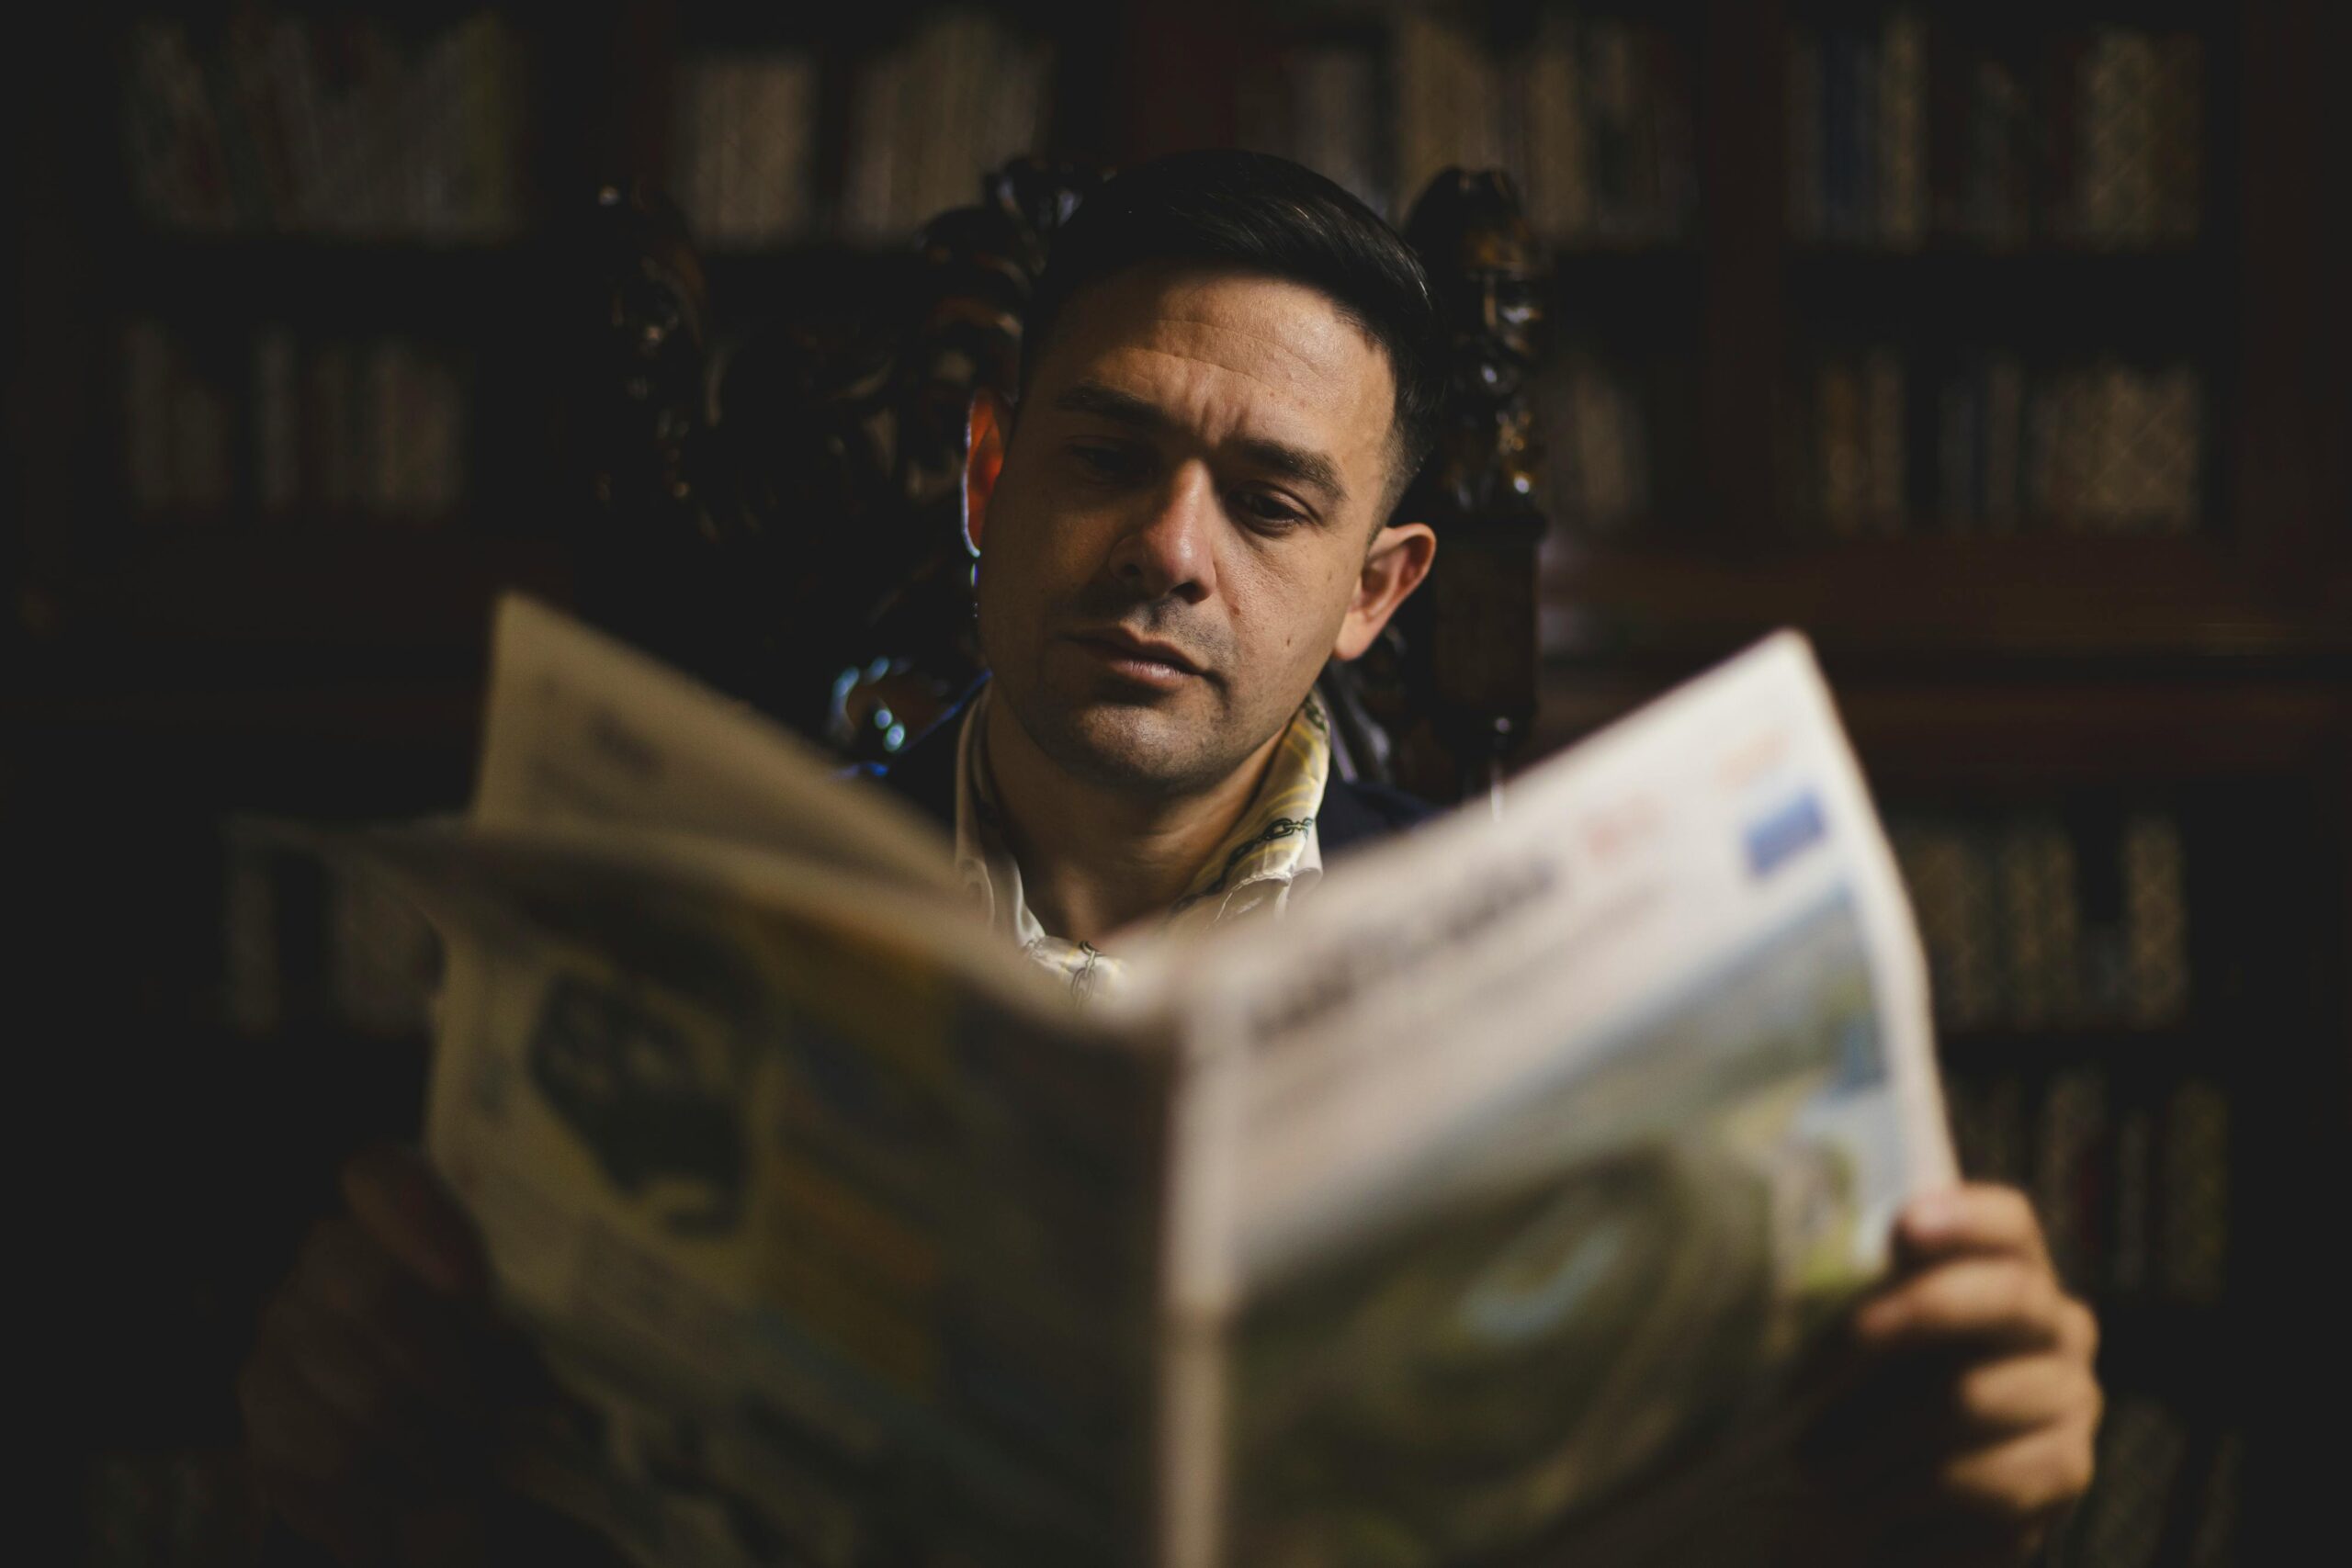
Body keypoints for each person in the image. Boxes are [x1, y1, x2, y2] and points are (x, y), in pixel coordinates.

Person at [239, 152, 2099, 1565]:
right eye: (1105, 456)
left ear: (1378, 591)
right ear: (987, 479)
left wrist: (1945, 1491)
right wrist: (348, 1456)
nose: (1168, 550)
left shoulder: (1555, 993)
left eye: (1270, 500)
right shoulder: (680, 915)